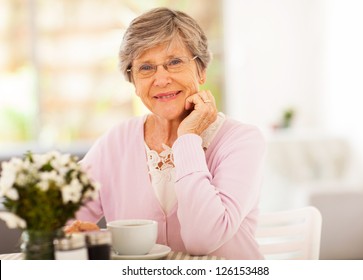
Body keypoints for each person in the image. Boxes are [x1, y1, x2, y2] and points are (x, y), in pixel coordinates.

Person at [68, 7, 266, 260]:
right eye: (146, 68)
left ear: (201, 71)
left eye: (174, 62)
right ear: (134, 82)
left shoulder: (242, 141)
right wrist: (85, 236)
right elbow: (61, 220)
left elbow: (203, 239)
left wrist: (188, 139)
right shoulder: (116, 142)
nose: (161, 79)